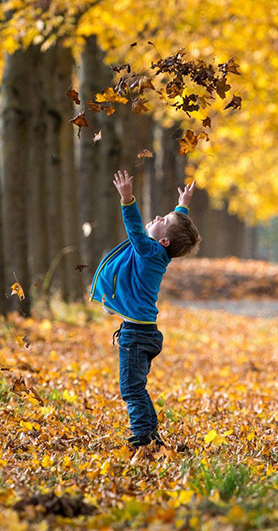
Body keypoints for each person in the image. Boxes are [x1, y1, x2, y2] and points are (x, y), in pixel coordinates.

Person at [89, 170, 200, 449]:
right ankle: (150, 436)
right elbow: (172, 230)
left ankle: (142, 439)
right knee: (136, 388)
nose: (159, 217)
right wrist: (182, 206)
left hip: (136, 336)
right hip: (143, 332)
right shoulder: (158, 253)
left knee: (131, 389)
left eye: (163, 220)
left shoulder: (149, 252)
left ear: (162, 241)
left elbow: (136, 229)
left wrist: (127, 199)